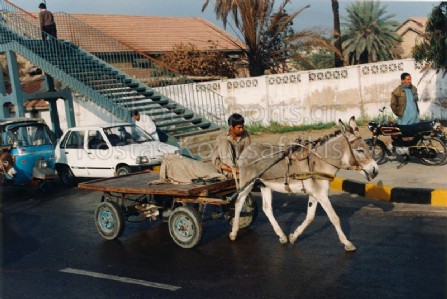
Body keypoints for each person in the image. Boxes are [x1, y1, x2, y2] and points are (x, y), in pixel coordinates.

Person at [211, 113, 251, 178]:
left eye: (242, 127)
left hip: (241, 165)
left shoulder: (245, 135)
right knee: (224, 141)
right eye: (239, 127)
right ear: (231, 127)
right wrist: (225, 167)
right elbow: (215, 159)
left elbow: (248, 152)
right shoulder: (222, 138)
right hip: (227, 168)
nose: (241, 129)